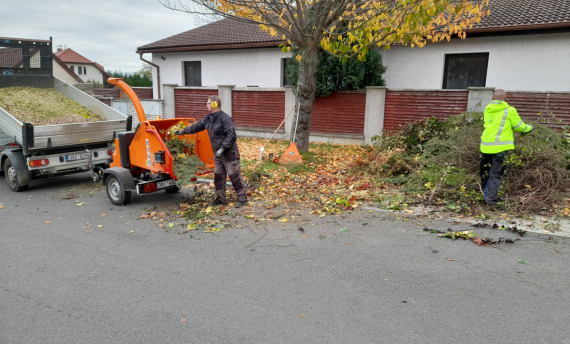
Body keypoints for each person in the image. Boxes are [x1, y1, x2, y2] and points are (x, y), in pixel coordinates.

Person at [175, 95, 248, 208]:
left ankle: (243, 199)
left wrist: (222, 148)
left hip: (229, 154)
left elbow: (232, 135)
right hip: (218, 155)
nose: (206, 105)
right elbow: (197, 126)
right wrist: (183, 131)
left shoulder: (225, 118)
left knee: (234, 176)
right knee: (219, 177)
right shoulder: (208, 118)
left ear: (214, 104)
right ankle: (221, 198)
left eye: (208, 103)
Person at [480, 89, 532, 205]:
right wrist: (530, 128)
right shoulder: (509, 110)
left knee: (485, 169)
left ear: (493, 98)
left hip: (485, 146)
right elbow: (519, 126)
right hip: (500, 148)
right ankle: (490, 200)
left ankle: (483, 189)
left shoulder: (487, 109)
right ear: (505, 97)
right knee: (496, 173)